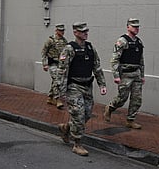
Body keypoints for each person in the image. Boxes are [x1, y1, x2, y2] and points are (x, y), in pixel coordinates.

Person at [57, 22, 107, 156]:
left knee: (87, 114)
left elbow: (97, 67)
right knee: (78, 114)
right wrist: (61, 92)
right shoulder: (69, 49)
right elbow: (62, 71)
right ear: (75, 32)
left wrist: (102, 84)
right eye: (82, 31)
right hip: (74, 87)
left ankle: (66, 127)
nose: (86, 33)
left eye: (86, 31)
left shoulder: (90, 48)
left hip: (87, 86)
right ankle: (77, 144)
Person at [104, 18, 145, 129]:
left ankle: (130, 120)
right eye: (134, 26)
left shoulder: (139, 42)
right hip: (126, 74)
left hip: (136, 74)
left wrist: (142, 75)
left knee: (137, 99)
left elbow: (141, 61)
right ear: (128, 27)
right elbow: (114, 59)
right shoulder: (122, 41)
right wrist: (116, 75)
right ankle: (110, 108)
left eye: (138, 27)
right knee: (122, 98)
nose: (136, 29)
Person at [41, 23, 68, 109]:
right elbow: (44, 52)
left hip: (60, 65)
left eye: (63, 30)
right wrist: (44, 64)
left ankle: (50, 97)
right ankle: (57, 99)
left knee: (55, 81)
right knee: (57, 80)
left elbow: (66, 53)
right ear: (56, 30)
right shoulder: (50, 40)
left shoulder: (64, 41)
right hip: (52, 64)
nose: (62, 32)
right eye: (60, 30)